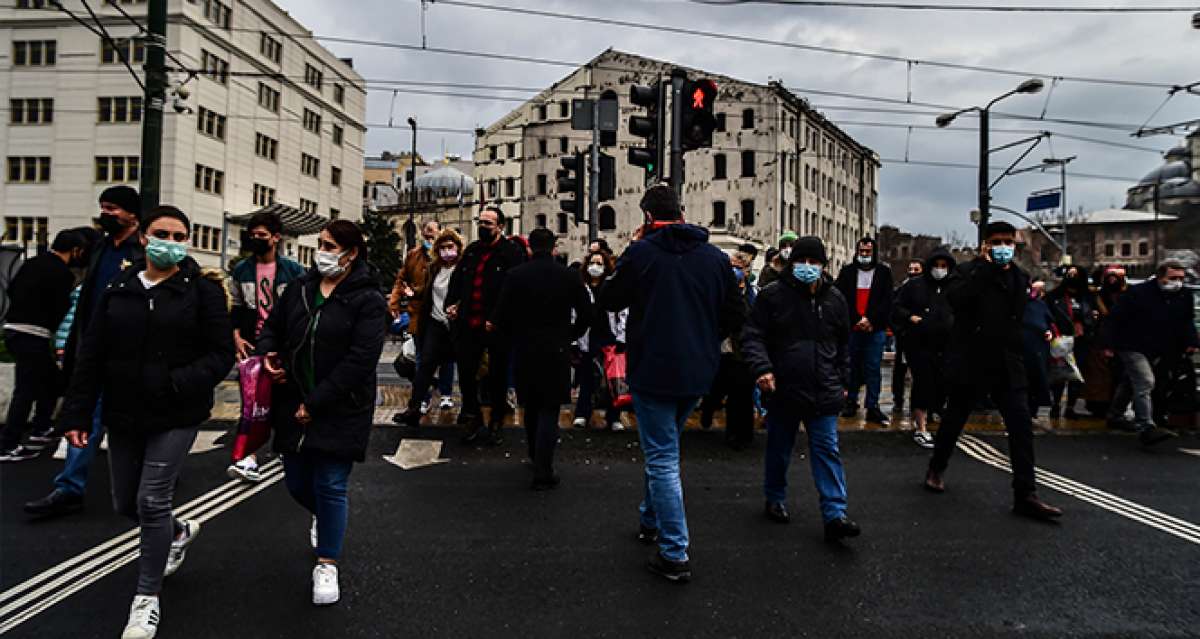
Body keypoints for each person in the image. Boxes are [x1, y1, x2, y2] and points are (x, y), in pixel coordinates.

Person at [58, 205, 234, 639]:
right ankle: (178, 531)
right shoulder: (119, 287)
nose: (170, 243)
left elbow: (220, 355)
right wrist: (77, 411)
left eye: (179, 236)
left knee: (152, 500)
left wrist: (176, 381)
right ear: (144, 238)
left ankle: (146, 599)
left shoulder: (202, 291)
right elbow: (92, 354)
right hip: (124, 411)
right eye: (162, 233)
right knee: (127, 504)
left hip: (176, 411)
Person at [598, 185, 745, 583]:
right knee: (665, 446)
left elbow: (610, 299)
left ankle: (674, 551)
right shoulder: (714, 258)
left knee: (662, 458)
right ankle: (650, 519)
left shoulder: (642, 254)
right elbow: (736, 313)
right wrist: (705, 338)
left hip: (652, 369)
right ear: (682, 214)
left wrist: (628, 253)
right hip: (698, 371)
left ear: (647, 217)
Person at [256, 220, 387, 606]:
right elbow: (272, 328)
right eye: (322, 244)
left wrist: (316, 404)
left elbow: (362, 359)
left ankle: (327, 561)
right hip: (292, 399)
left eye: (331, 246)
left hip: (341, 405)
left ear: (352, 253)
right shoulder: (300, 289)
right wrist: (269, 353)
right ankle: (328, 519)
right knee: (297, 483)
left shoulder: (368, 299)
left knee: (331, 482)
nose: (323, 252)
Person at [923, 222, 1062, 521]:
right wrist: (985, 270)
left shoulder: (1018, 277)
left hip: (1006, 362)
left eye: (1008, 242)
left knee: (1021, 427)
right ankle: (937, 466)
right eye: (996, 242)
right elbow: (957, 301)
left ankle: (1026, 493)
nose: (1003, 248)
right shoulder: (967, 272)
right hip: (971, 359)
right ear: (985, 245)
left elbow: (1020, 316)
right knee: (954, 419)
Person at [25, 185, 145, 517]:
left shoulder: (143, 251)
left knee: (137, 422)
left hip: (130, 354)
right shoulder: (99, 249)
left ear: (132, 213)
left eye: (114, 208)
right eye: (103, 207)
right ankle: (69, 488)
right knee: (84, 418)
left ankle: (155, 476)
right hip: (94, 351)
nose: (106, 214)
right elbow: (85, 303)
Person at [742, 237, 861, 542]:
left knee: (827, 450)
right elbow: (753, 336)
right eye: (802, 261)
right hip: (784, 387)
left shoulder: (835, 299)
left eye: (814, 262)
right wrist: (763, 369)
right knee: (780, 447)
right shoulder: (772, 297)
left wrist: (845, 382)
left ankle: (835, 513)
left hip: (824, 388)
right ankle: (775, 496)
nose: (807, 268)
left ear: (823, 265)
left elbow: (843, 346)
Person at [492, 228, 592, 489]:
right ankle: (544, 467)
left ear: (529, 248)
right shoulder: (568, 276)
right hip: (557, 347)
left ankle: (534, 453)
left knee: (531, 405)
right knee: (550, 408)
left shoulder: (516, 276)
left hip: (525, 346)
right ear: (554, 248)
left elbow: (501, 315)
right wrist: (572, 334)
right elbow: (585, 312)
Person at [225, 210, 305, 482]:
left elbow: (300, 309)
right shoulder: (242, 270)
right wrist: (236, 335)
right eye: (253, 235)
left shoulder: (293, 271)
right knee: (252, 402)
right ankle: (249, 457)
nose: (257, 240)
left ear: (276, 237)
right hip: (253, 345)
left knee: (283, 399)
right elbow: (236, 306)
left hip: (283, 345)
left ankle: (286, 446)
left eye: (262, 235)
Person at [0, 230, 90, 462]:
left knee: (51, 381)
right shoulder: (63, 274)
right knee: (26, 390)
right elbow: (61, 307)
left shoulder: (32, 263)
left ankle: (41, 428)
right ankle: (8, 444)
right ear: (76, 250)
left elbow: (11, 289)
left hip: (13, 329)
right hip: (35, 333)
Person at [445, 206, 527, 445]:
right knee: (468, 373)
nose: (483, 227)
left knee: (498, 375)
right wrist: (453, 304)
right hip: (469, 322)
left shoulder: (511, 253)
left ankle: (496, 421)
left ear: (500, 226)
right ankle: (474, 418)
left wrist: (498, 318)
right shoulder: (472, 251)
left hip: (496, 325)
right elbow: (457, 280)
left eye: (488, 223)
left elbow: (513, 290)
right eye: (481, 222)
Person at [1103, 260, 1198, 445]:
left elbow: (1187, 320)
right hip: (1132, 344)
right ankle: (1145, 425)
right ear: (1161, 276)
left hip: (1159, 346)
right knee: (1145, 381)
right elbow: (1116, 318)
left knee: (1132, 381)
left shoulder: (1184, 296)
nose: (1177, 282)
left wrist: (1191, 341)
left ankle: (1115, 414)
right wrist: (1108, 344)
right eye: (1173, 278)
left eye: (1180, 278)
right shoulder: (1139, 293)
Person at [393, 228, 465, 427]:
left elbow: (470, 292)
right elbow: (426, 291)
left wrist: (460, 307)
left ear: (458, 248)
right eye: (442, 248)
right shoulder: (434, 268)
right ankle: (414, 407)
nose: (446, 251)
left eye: (450, 247)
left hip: (457, 325)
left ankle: (467, 410)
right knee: (425, 366)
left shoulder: (464, 268)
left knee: (465, 367)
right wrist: (412, 293)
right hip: (435, 323)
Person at [891, 249, 956, 448]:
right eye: (937, 266)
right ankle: (921, 426)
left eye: (944, 266)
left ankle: (936, 414)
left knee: (943, 383)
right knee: (922, 383)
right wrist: (910, 318)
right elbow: (896, 306)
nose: (940, 270)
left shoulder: (954, 287)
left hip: (945, 344)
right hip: (919, 343)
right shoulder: (914, 286)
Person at [698, 243, 758, 449]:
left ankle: (742, 433)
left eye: (739, 267)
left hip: (742, 351)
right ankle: (709, 408)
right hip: (721, 347)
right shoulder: (719, 291)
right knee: (718, 387)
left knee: (741, 393)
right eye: (732, 266)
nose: (735, 271)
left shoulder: (752, 295)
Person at [835, 237, 894, 425]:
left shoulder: (884, 273)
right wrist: (857, 320)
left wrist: (871, 320)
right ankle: (850, 402)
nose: (865, 255)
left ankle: (872, 406)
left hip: (875, 329)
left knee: (872, 368)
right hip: (853, 328)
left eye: (868, 251)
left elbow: (887, 301)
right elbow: (841, 298)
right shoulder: (847, 272)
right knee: (851, 366)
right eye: (862, 251)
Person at [572, 251, 629, 431]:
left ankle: (614, 416)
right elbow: (573, 313)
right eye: (592, 262)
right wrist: (573, 339)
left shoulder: (611, 288)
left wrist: (621, 337)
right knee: (587, 377)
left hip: (608, 337)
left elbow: (622, 313)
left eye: (599, 263)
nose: (595, 267)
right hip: (588, 337)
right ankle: (582, 413)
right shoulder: (581, 288)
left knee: (613, 379)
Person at [1046, 266, 1099, 419]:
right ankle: (1055, 405)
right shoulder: (1054, 296)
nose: (1072, 277)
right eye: (1070, 274)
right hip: (1061, 339)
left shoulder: (1088, 297)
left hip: (1082, 340)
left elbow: (1094, 315)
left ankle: (1070, 407)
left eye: (1076, 274)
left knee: (1077, 375)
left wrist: (1087, 324)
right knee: (1059, 374)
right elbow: (1047, 315)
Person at [1021, 282, 1070, 426]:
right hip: (1020, 348)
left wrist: (1049, 332)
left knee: (1035, 380)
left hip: (1037, 348)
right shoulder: (1015, 304)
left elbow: (1052, 321)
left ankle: (1031, 410)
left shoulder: (1039, 305)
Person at [890, 259, 924, 415]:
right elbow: (894, 311)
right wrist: (900, 329)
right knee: (900, 371)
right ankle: (898, 400)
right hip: (904, 337)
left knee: (921, 373)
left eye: (916, 269)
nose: (913, 272)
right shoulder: (901, 290)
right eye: (910, 269)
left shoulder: (926, 291)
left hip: (922, 338)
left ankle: (917, 403)